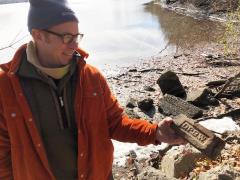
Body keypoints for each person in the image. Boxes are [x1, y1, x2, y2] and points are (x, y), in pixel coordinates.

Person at [0, 0, 185, 179]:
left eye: (77, 36)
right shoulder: (6, 87)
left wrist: (154, 132)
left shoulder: (90, 77)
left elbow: (115, 124)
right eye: (66, 37)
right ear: (38, 35)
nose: (74, 45)